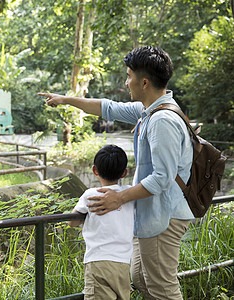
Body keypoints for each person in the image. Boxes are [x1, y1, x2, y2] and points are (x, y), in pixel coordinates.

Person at [39, 46, 194, 300]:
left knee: (162, 289)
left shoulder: (161, 120)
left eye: (129, 76)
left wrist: (119, 198)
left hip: (164, 216)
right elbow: (106, 108)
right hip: (150, 214)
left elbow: (162, 178)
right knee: (141, 279)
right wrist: (66, 100)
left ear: (144, 82)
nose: (126, 82)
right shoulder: (148, 110)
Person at [68, 144, 133, 300]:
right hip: (123, 263)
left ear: (94, 170)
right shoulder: (130, 194)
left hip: (98, 261)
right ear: (124, 172)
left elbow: (72, 222)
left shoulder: (91, 194)